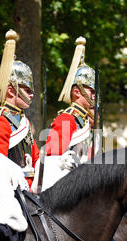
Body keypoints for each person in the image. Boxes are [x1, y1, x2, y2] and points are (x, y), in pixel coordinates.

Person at [0, 29, 35, 234]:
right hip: (11, 198)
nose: (32, 94)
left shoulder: (24, 122)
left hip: (31, 195)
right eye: (27, 89)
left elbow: (35, 157)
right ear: (12, 90)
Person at [31, 36, 96, 192]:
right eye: (91, 90)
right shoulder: (67, 119)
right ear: (76, 92)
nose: (94, 95)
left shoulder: (85, 121)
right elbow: (53, 159)